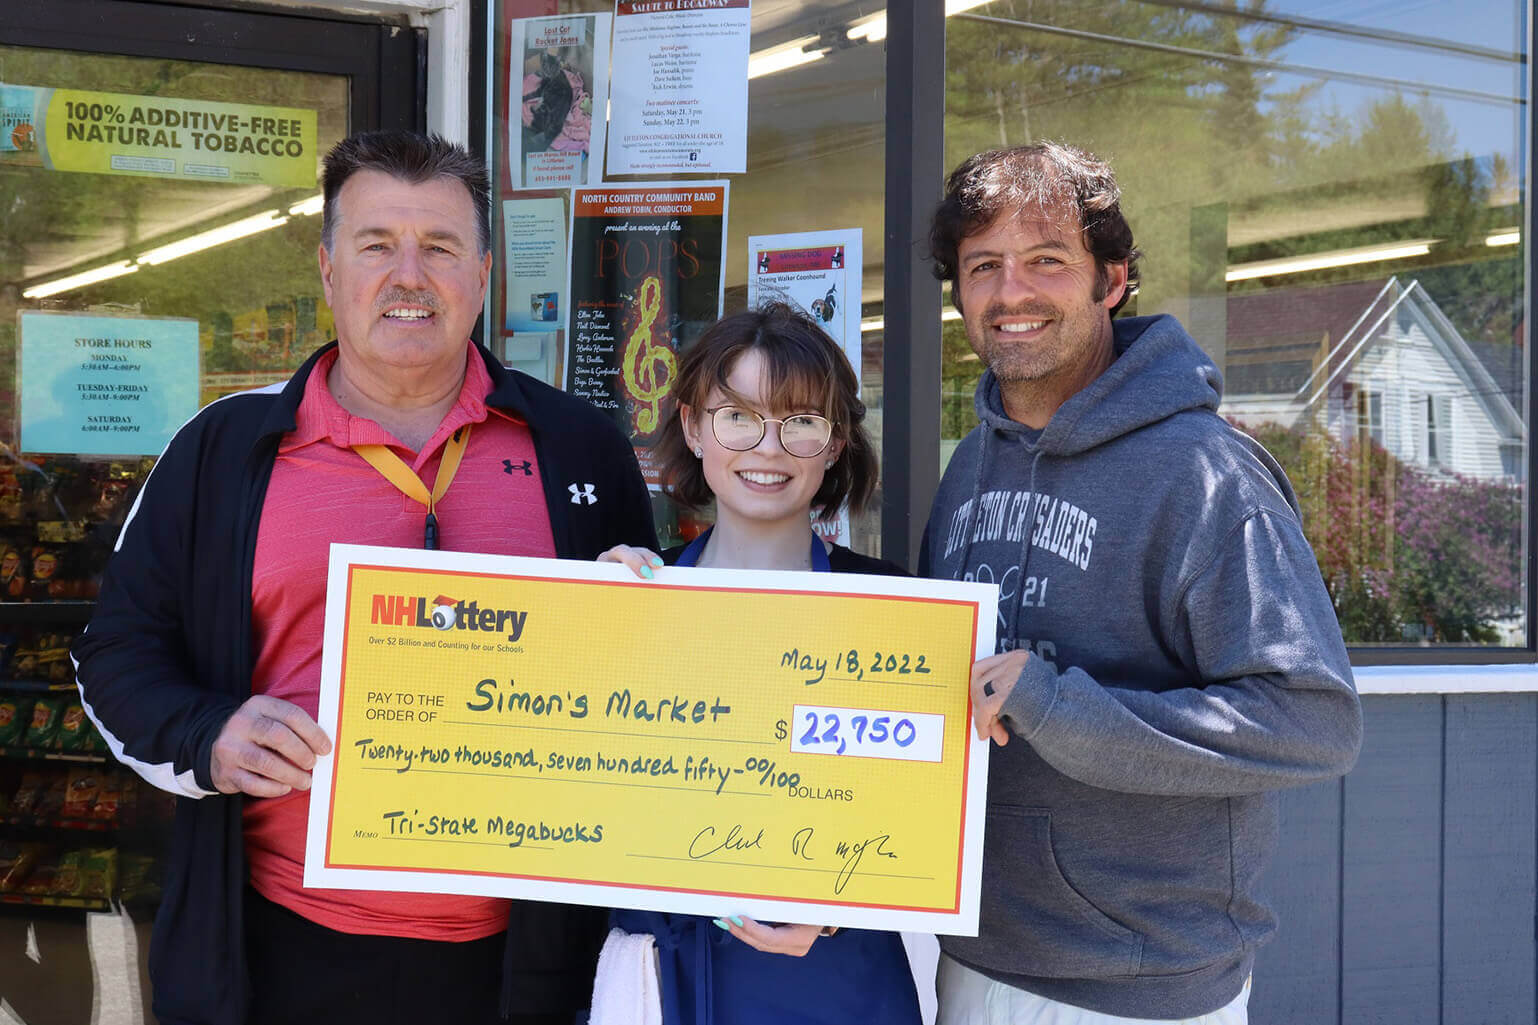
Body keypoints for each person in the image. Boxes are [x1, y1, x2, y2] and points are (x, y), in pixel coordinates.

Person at [72, 130, 656, 1025]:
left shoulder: (581, 449)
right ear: (328, 267)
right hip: (277, 946)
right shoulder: (223, 450)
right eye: (377, 244)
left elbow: (645, 689)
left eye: (442, 247)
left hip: (522, 962)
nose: (409, 275)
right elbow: (114, 652)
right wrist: (210, 734)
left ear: (485, 273)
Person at [920, 142, 1362, 1024]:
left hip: (1139, 986)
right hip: (973, 954)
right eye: (984, 267)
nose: (1012, 293)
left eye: (1048, 261)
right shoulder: (971, 464)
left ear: (1112, 280)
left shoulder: (1205, 475)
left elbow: (1312, 719)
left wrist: (1056, 705)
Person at [595, 303, 923, 1025]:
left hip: (836, 983)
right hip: (670, 982)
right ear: (690, 426)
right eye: (737, 416)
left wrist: (838, 909)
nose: (767, 448)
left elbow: (918, 815)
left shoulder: (894, 610)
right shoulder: (632, 598)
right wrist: (580, 621)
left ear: (834, 444)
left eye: (800, 422)